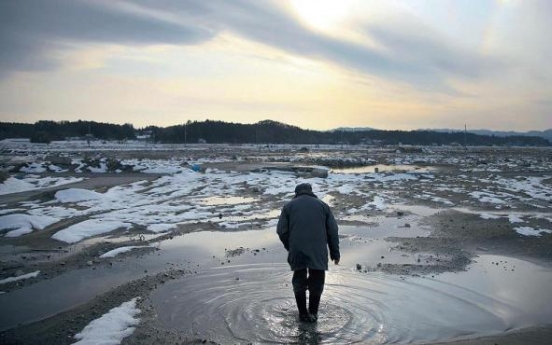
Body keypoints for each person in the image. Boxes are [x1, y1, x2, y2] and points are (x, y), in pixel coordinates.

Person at [277, 183, 340, 323]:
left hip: (297, 249)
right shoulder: (323, 206)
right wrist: (335, 254)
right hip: (318, 250)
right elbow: (333, 232)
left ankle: (302, 314)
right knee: (317, 279)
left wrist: (291, 246)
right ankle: (313, 313)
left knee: (299, 279)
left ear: (296, 193)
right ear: (311, 192)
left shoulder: (288, 207)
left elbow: (281, 231)